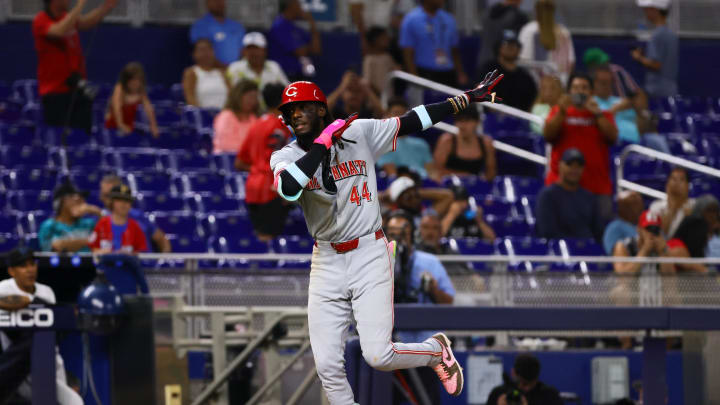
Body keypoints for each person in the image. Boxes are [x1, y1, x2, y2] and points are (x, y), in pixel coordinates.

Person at [269, 70, 504, 402]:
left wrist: (462, 100)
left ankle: (435, 351)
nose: (295, 115)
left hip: (368, 250)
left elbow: (411, 121)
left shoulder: (359, 132)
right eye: (289, 111)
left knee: (378, 356)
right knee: (327, 367)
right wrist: (322, 145)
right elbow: (289, 190)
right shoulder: (285, 157)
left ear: (321, 109)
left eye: (303, 107)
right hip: (327, 259)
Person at [385, 210, 454, 405]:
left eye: (402, 233)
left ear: (412, 234)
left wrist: (433, 289)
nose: (397, 238)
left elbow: (448, 302)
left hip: (424, 351)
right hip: (390, 351)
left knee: (427, 399)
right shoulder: (377, 262)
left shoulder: (429, 262)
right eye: (392, 233)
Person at [0, 247, 84, 405]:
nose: (30, 270)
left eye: (32, 264)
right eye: (23, 266)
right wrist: (28, 302)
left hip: (48, 363)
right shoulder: (3, 288)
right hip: (16, 368)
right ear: (11, 271)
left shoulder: (46, 292)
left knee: (74, 402)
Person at [33, 0, 118, 133]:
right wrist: (80, 5)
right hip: (55, 93)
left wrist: (106, 7)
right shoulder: (41, 20)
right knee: (60, 136)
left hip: (77, 88)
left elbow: (86, 22)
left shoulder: (67, 18)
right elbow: (60, 30)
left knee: (83, 136)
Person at [543, 72, 618, 223]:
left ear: (591, 92)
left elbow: (613, 138)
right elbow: (548, 135)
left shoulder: (603, 114)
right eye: (576, 88)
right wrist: (562, 111)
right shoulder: (559, 112)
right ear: (569, 91)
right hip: (562, 186)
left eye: (584, 88)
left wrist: (597, 114)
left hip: (597, 187)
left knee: (600, 236)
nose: (579, 92)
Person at [235, 83, 293, 241]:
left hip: (252, 188)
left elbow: (239, 162)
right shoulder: (279, 126)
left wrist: (257, 168)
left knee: (260, 239)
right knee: (267, 240)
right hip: (270, 188)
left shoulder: (256, 125)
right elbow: (275, 160)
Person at [536, 148, 604, 241]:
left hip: (588, 252)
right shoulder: (548, 196)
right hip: (559, 252)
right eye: (569, 165)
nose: (574, 170)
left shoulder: (589, 197)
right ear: (560, 165)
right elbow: (547, 232)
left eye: (578, 166)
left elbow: (598, 232)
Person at [399, 0, 468, 88]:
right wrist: (414, 77)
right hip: (424, 73)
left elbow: (454, 50)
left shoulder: (449, 18)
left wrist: (460, 72)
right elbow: (407, 52)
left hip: (448, 73)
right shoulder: (411, 19)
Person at [99, 175, 171, 253]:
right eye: (104, 195)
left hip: (143, 262)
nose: (106, 199)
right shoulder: (99, 219)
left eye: (109, 195)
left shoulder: (138, 216)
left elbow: (161, 239)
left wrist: (163, 261)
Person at [478, 29, 537, 112]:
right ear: (498, 47)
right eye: (506, 44)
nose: (511, 47)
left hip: (520, 119)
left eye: (514, 44)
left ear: (519, 49)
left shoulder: (525, 77)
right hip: (492, 118)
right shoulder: (488, 69)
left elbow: (533, 101)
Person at [376, 98, 436, 179]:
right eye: (396, 113)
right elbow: (392, 174)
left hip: (425, 185)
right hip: (402, 185)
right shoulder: (383, 143)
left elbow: (432, 173)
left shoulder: (421, 143)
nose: (400, 117)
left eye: (404, 113)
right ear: (388, 116)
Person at [518, 0, 575, 83]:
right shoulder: (564, 32)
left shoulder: (528, 30)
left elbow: (523, 60)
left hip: (536, 83)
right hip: (557, 82)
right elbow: (570, 62)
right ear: (553, 10)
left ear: (536, 10)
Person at [661, 194, 720, 274]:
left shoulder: (714, 231)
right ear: (700, 210)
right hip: (689, 275)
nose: (712, 215)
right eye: (709, 210)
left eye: (715, 211)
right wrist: (703, 270)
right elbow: (695, 254)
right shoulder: (696, 223)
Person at [434, 107, 497, 180]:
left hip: (474, 188)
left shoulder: (486, 143)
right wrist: (463, 177)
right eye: (459, 121)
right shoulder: (447, 141)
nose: (462, 126)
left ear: (477, 122)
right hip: (448, 187)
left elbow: (491, 174)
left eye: (467, 121)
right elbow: (436, 172)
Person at [632, 0, 678, 98]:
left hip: (657, 92)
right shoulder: (671, 35)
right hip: (669, 90)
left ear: (655, 10)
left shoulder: (657, 35)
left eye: (647, 9)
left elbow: (656, 64)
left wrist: (638, 57)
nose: (645, 13)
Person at [38, 181, 102, 253]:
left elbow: (107, 238)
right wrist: (90, 240)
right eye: (76, 199)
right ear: (62, 201)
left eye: (81, 200)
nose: (82, 203)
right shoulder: (49, 225)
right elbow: (55, 246)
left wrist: (97, 212)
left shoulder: (89, 223)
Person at [268, 0, 322, 81]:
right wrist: (307, 48)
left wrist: (311, 22)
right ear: (291, 6)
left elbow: (316, 49)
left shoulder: (296, 28)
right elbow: (301, 52)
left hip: (300, 75)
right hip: (284, 76)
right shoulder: (279, 26)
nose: (301, 8)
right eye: (298, 5)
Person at [104, 62, 159, 138]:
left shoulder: (141, 91)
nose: (136, 83)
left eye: (138, 80)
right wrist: (121, 125)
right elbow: (117, 108)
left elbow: (148, 108)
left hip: (129, 127)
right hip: (113, 126)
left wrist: (153, 126)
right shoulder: (119, 88)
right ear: (126, 80)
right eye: (133, 80)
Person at [89, 184, 147, 254]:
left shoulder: (135, 226)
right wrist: (102, 252)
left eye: (127, 200)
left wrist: (129, 255)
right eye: (119, 200)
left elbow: (142, 252)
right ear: (112, 202)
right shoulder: (101, 224)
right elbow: (92, 249)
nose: (123, 204)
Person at [486, 353, 562, 405]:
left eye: (530, 384)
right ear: (513, 373)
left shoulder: (549, 396)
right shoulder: (498, 393)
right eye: (523, 383)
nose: (526, 388)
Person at [592, 66, 641, 144]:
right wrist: (614, 110)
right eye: (603, 83)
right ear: (594, 83)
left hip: (637, 143)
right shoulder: (592, 102)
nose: (607, 86)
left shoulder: (623, 101)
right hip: (614, 144)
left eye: (610, 82)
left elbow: (639, 121)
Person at [189, 0, 245, 66]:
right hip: (212, 71)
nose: (218, 3)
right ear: (207, 3)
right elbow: (202, 53)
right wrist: (221, 68)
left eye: (221, 0)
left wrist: (237, 68)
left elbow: (244, 51)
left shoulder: (237, 26)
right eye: (214, 1)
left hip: (236, 71)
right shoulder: (200, 26)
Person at [612, 210, 667, 276]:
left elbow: (671, 284)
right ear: (639, 229)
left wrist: (663, 253)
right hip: (631, 286)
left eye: (655, 229)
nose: (651, 233)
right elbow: (622, 278)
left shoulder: (663, 247)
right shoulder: (624, 246)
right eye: (648, 228)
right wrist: (644, 251)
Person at [212, 80, 259, 154]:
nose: (252, 101)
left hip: (248, 160)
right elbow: (225, 144)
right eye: (250, 97)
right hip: (226, 160)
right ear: (238, 96)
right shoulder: (226, 116)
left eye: (255, 97)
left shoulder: (253, 118)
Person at [478, 0, 529, 67]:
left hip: (484, 60)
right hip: (505, 64)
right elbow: (518, 41)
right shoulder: (518, 16)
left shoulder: (487, 13)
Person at [182, 38, 230, 109]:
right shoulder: (191, 73)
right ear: (194, 54)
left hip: (224, 115)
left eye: (209, 49)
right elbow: (190, 98)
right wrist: (202, 115)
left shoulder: (223, 72)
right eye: (202, 50)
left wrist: (225, 114)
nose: (206, 53)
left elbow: (232, 96)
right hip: (201, 116)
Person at [386, 176, 454, 225]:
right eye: (408, 198)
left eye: (416, 195)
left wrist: (417, 192)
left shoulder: (426, 216)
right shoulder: (393, 221)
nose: (414, 200)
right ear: (398, 202)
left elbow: (448, 196)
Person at [648, 167, 694, 238]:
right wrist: (672, 210)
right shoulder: (656, 206)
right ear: (667, 184)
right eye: (673, 179)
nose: (677, 183)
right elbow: (656, 235)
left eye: (681, 179)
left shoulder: (694, 205)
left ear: (687, 186)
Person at [362, 26, 400, 96]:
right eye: (384, 37)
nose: (387, 39)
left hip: (389, 97)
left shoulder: (388, 57)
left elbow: (397, 71)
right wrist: (379, 94)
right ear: (375, 40)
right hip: (376, 98)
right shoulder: (369, 59)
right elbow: (368, 81)